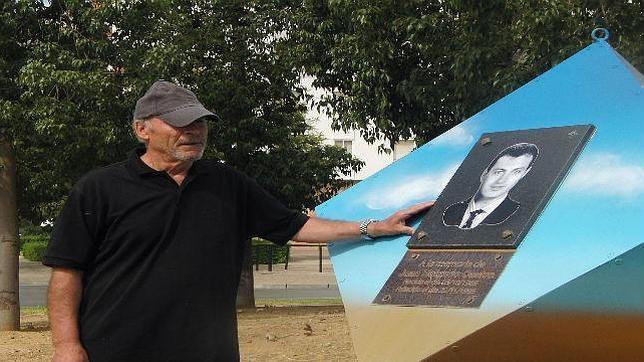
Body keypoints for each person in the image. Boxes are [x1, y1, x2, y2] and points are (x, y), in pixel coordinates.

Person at [43, 80, 433, 362]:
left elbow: (294, 225)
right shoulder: (99, 189)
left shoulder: (225, 183)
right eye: (180, 122)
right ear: (142, 129)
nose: (194, 130)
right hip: (115, 351)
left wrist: (372, 227)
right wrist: (66, 345)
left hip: (209, 353)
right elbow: (66, 274)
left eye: (200, 121)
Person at [442, 142, 539, 229]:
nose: (502, 180)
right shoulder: (451, 211)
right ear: (485, 173)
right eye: (499, 172)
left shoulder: (517, 214)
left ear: (524, 174)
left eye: (516, 172)